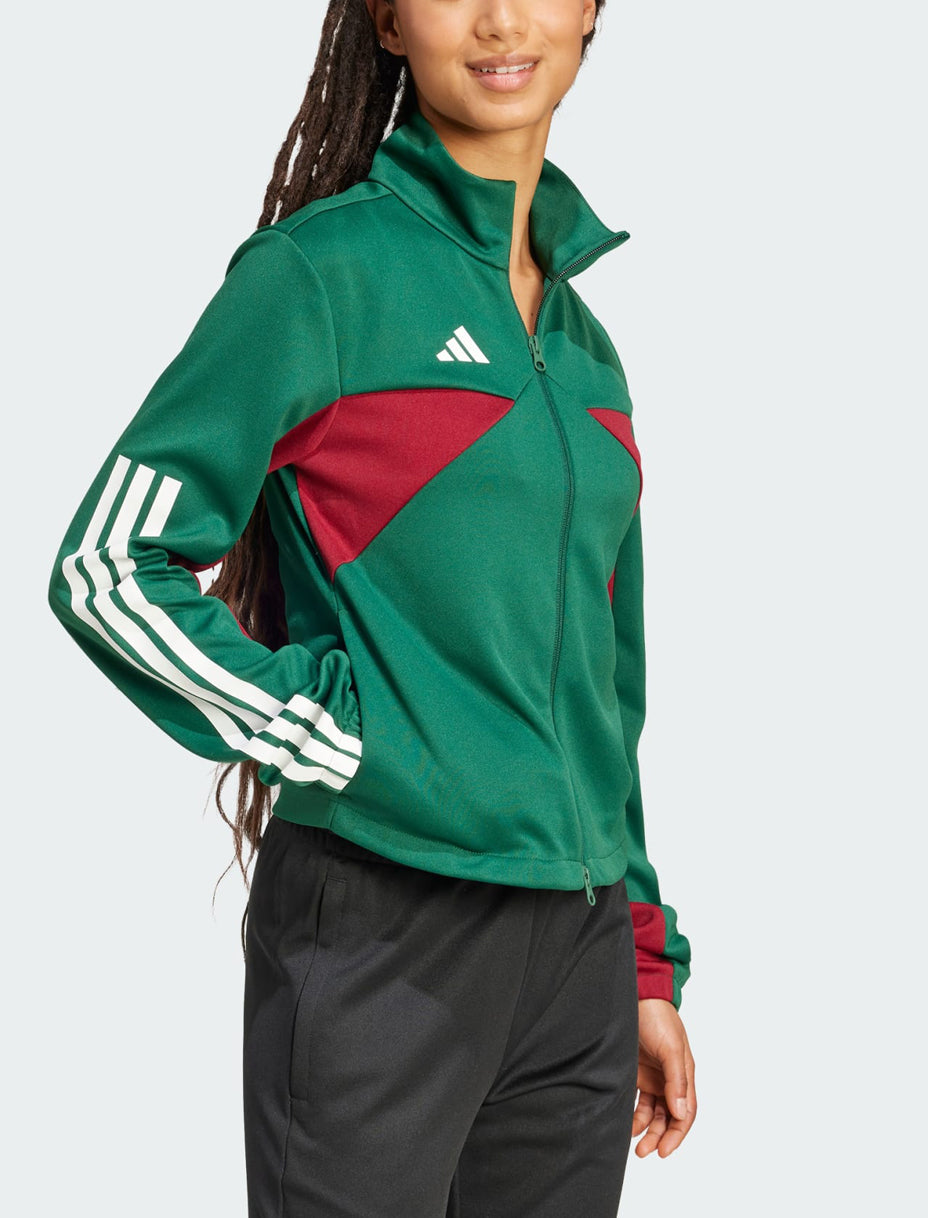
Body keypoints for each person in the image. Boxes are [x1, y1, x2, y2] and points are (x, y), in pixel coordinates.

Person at [47, 0, 697, 1212]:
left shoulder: (584, 344)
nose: (500, 20)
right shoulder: (319, 276)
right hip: (386, 926)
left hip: (579, 950)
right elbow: (105, 565)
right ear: (388, 22)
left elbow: (604, 691)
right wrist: (327, 733)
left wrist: (642, 958)